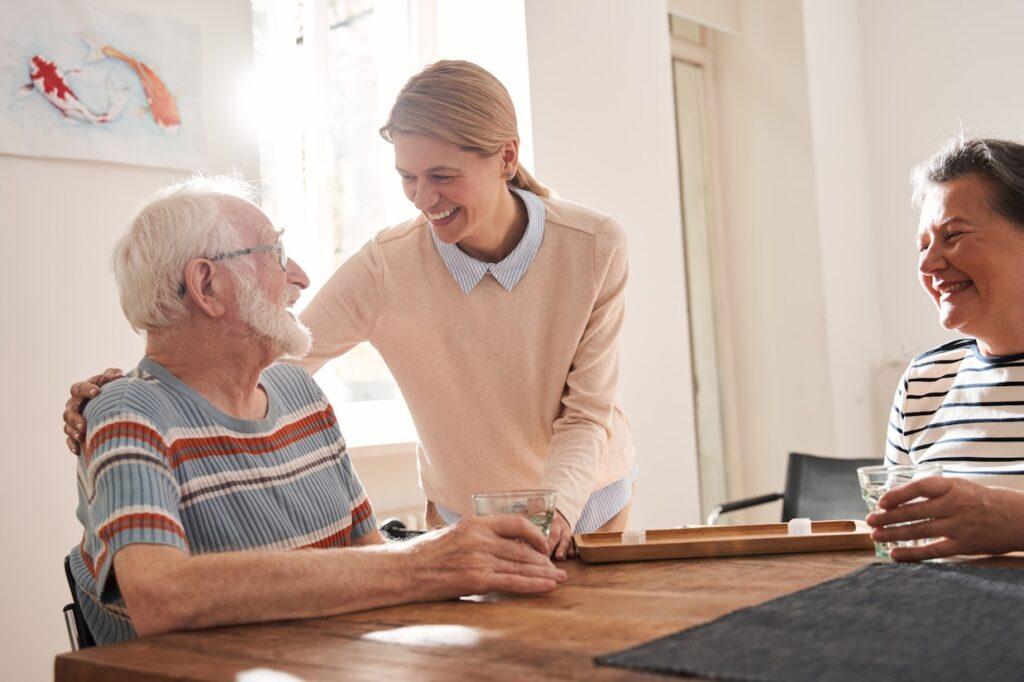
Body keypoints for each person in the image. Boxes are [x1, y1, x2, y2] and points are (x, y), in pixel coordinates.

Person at [64, 60, 638, 560]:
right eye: (407, 178)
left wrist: (556, 512)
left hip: (587, 502)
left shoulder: (592, 245)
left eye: (442, 176)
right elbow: (270, 356)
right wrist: (132, 392)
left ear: (506, 158)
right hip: (466, 517)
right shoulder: (388, 265)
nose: (422, 198)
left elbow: (586, 414)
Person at [70, 177, 565, 645]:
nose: (301, 279)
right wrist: (424, 561)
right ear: (206, 285)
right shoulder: (127, 411)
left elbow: (368, 555)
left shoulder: (297, 391)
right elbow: (161, 596)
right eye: (276, 255)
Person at [869, 136, 1024, 561]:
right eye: (923, 245)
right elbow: (899, 536)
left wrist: (1013, 521)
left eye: (952, 235)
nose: (927, 265)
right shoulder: (924, 382)